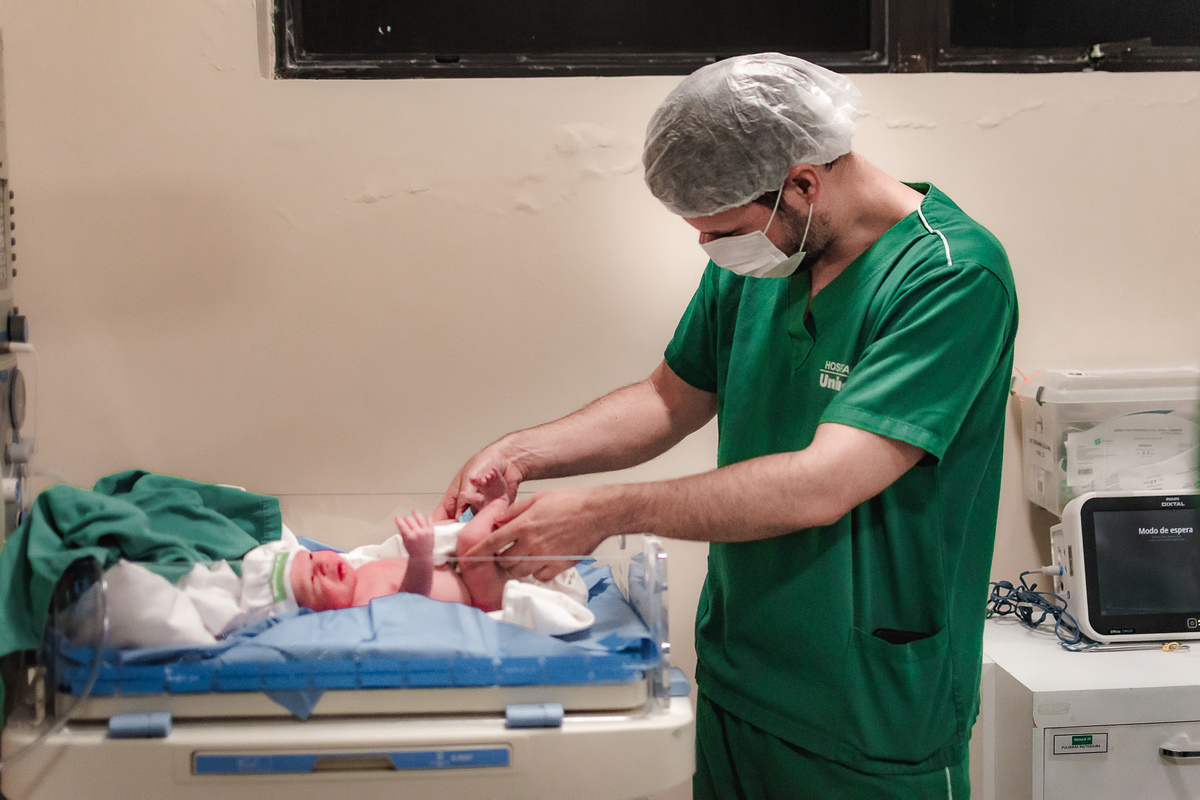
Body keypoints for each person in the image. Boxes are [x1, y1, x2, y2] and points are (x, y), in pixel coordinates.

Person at [438, 53, 1018, 798]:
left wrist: (606, 512)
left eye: (724, 230)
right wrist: (521, 452)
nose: (711, 250)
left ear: (803, 184)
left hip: (869, 707)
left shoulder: (950, 278)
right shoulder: (766, 256)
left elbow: (823, 484)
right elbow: (667, 400)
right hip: (743, 674)